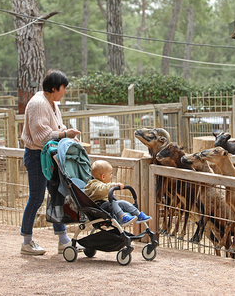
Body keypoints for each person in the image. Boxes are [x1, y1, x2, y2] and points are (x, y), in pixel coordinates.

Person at [20, 69, 84, 255]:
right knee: (36, 197)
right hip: (36, 156)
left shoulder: (51, 102)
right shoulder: (39, 104)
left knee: (57, 194)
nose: (65, 92)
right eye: (63, 88)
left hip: (49, 156)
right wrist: (65, 135)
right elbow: (41, 137)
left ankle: (63, 240)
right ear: (54, 88)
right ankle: (26, 241)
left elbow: (57, 127)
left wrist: (68, 135)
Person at [85, 160, 152, 226]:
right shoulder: (94, 184)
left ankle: (138, 215)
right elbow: (102, 189)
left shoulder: (100, 184)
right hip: (99, 207)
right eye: (110, 174)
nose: (112, 176)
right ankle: (123, 217)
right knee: (112, 203)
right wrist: (114, 185)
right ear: (103, 176)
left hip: (107, 205)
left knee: (122, 202)